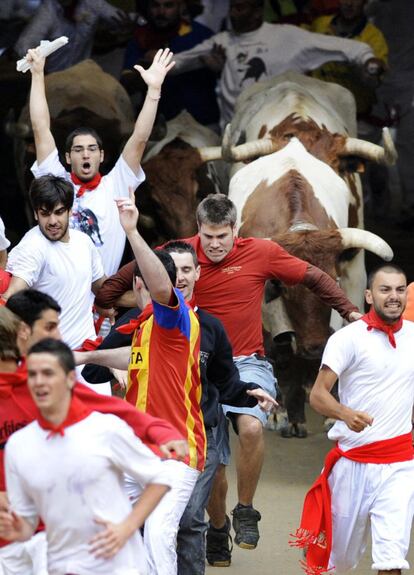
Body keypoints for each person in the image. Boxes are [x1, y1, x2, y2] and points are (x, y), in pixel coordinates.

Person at [93, 192, 362, 564]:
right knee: (213, 461)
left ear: (236, 230)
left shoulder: (261, 252)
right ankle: (217, 527)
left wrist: (350, 313)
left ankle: (246, 510)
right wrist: (138, 305)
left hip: (246, 360)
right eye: (208, 237)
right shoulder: (176, 255)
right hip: (194, 363)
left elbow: (314, 276)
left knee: (251, 426)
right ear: (197, 232)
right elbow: (111, 290)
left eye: (223, 236)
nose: (216, 244)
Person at [84, 239, 277, 573]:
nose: (180, 278)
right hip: (142, 445)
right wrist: (119, 364)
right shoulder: (134, 321)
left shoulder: (211, 327)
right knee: (133, 524)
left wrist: (249, 395)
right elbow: (93, 370)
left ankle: (205, 544)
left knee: (185, 521)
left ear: (198, 273)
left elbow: (227, 383)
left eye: (187, 269)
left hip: (198, 432)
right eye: (172, 271)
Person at [75, 192, 206, 575]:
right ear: (139, 285)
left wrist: (131, 230)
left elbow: (163, 289)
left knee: (158, 533)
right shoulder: (145, 326)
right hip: (137, 452)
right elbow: (134, 361)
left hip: (176, 453)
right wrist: (89, 356)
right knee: (97, 520)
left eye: (182, 274)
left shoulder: (175, 319)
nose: (176, 283)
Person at [0, 338, 173, 575]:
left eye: (48, 373)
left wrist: (128, 527)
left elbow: (160, 476)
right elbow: (28, 523)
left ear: (71, 379)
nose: (39, 382)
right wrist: (14, 531)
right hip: (59, 567)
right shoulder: (18, 446)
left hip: (118, 566)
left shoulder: (106, 429)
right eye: (33, 375)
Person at [292, 264, 414, 575]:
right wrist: (345, 414)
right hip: (352, 464)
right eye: (385, 290)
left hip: (400, 466)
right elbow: (318, 395)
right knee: (337, 560)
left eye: (400, 290)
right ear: (369, 295)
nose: (394, 297)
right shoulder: (348, 339)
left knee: (391, 558)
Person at [26, 46, 174, 276]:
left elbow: (140, 138)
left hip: (103, 301)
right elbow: (40, 129)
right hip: (56, 298)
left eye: (92, 149)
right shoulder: (54, 180)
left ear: (102, 155)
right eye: (78, 149)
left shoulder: (117, 184)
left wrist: (154, 90)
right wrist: (37, 75)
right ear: (67, 157)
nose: (86, 154)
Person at [171, 0, 382, 127]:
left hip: (278, 132)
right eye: (232, 7)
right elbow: (180, 61)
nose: (233, 13)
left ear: (257, 12)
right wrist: (152, 67)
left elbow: (348, 47)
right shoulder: (222, 41)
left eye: (241, 7)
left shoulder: (287, 36)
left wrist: (367, 59)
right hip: (235, 133)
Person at [2, 175, 106, 353]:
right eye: (45, 213)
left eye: (58, 212)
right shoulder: (32, 247)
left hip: (88, 354)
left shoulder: (84, 242)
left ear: (70, 211)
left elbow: (103, 289)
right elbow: (9, 299)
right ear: (35, 213)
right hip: (50, 360)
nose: (52, 221)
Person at [122, 0, 219, 126]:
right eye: (155, 5)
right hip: (157, 123)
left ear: (181, 6)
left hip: (201, 121)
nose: (161, 12)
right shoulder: (141, 37)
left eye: (168, 5)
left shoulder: (202, 36)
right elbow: (127, 86)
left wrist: (219, 70)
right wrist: (143, 70)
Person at [309, 0, 388, 117]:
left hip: (353, 113)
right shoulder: (320, 24)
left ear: (365, 3)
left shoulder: (374, 37)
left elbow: (374, 82)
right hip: (317, 107)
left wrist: (360, 69)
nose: (349, 3)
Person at [14, 0, 128, 73]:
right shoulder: (48, 10)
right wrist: (39, 57)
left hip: (82, 75)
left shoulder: (91, 3)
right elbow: (24, 45)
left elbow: (122, 18)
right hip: (51, 76)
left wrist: (130, 23)